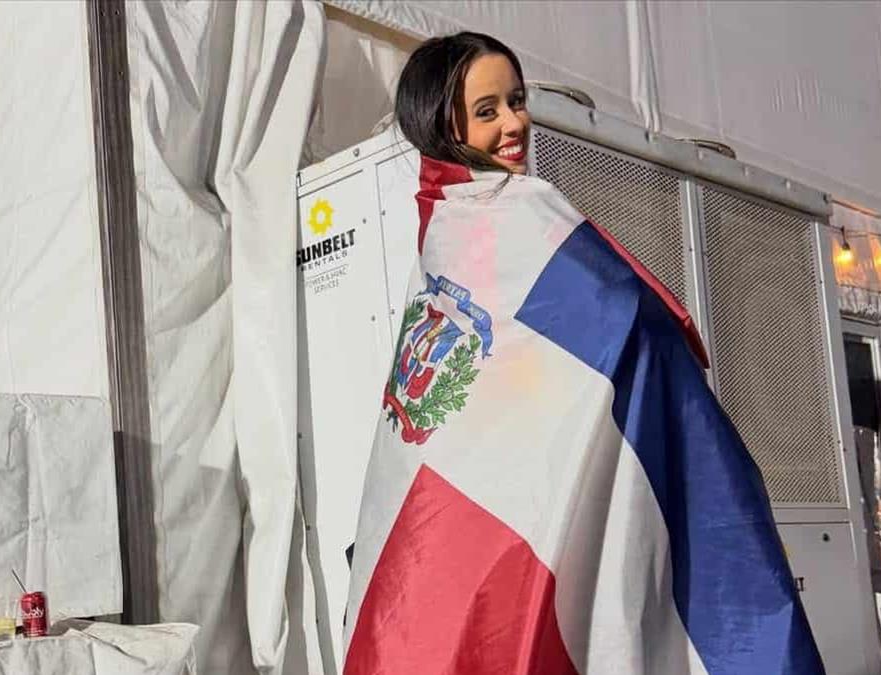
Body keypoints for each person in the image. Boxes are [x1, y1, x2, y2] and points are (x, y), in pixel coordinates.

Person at [342, 31, 824, 675]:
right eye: (487, 111)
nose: (514, 124)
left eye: (516, 101)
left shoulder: (444, 225)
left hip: (531, 504)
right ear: (442, 123)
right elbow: (621, 318)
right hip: (515, 512)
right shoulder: (505, 215)